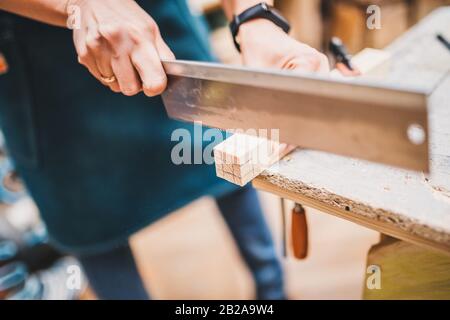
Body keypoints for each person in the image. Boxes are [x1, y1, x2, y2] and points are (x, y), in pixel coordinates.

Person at [0, 0, 329, 299]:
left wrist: (253, 16)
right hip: (36, 63)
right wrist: (77, 5)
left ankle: (273, 291)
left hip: (161, 32)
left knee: (220, 150)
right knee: (87, 216)